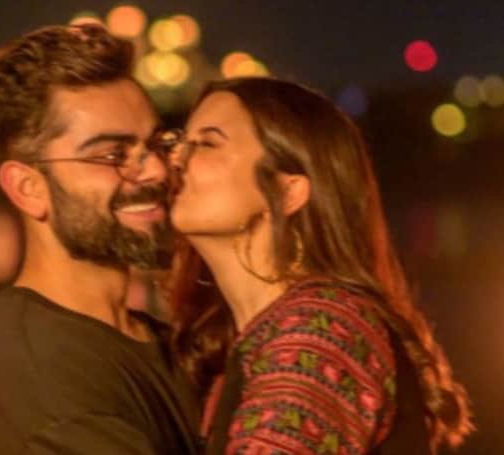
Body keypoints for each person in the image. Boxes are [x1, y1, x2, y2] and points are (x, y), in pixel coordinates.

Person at [164, 77, 473, 454]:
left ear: (287, 192)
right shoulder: (240, 344)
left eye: (207, 144)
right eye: (180, 141)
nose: (175, 159)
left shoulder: (321, 332)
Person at [0, 24, 200, 454]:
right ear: (28, 189)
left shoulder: (147, 339)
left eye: (155, 144)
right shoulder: (40, 379)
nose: (155, 170)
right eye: (112, 155)